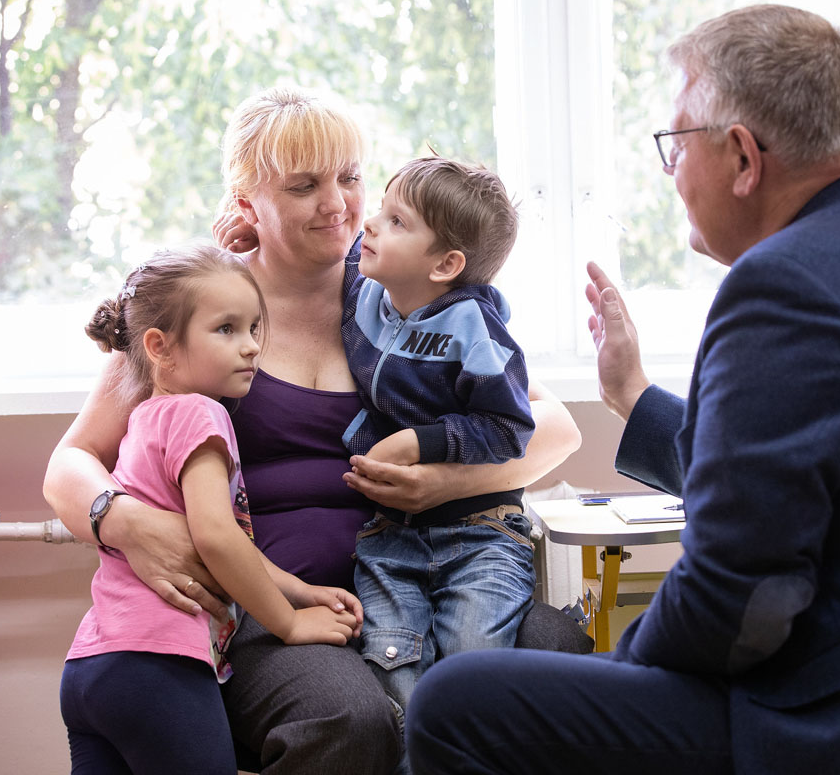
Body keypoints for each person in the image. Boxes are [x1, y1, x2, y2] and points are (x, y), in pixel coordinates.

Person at [405, 4, 840, 774]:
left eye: (674, 146)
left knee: (457, 702)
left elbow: (736, 597)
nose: (671, 173)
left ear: (744, 157)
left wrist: (621, 670)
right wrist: (633, 397)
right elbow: (794, 492)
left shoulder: (786, 284)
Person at [43, 86, 586, 775]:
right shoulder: (203, 308)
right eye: (304, 186)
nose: (337, 204)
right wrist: (125, 523)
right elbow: (70, 463)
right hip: (272, 613)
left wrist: (442, 481)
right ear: (247, 205)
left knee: (552, 651)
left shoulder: (405, 295)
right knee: (351, 718)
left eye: (350, 178)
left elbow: (555, 430)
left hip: (415, 579)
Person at [60, 245, 363, 774]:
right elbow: (218, 539)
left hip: (93, 664)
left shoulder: (146, 418)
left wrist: (303, 588)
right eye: (226, 330)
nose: (250, 348)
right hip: (160, 665)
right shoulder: (202, 415)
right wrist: (289, 623)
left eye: (253, 328)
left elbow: (224, 539)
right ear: (160, 347)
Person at [343, 157, 537, 713]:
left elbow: (510, 427)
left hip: (480, 537)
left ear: (447, 264)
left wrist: (419, 443)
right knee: (397, 681)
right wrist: (245, 243)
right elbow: (307, 254)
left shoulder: (477, 328)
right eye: (380, 208)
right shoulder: (362, 290)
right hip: (390, 539)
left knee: (469, 679)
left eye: (397, 221)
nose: (371, 225)